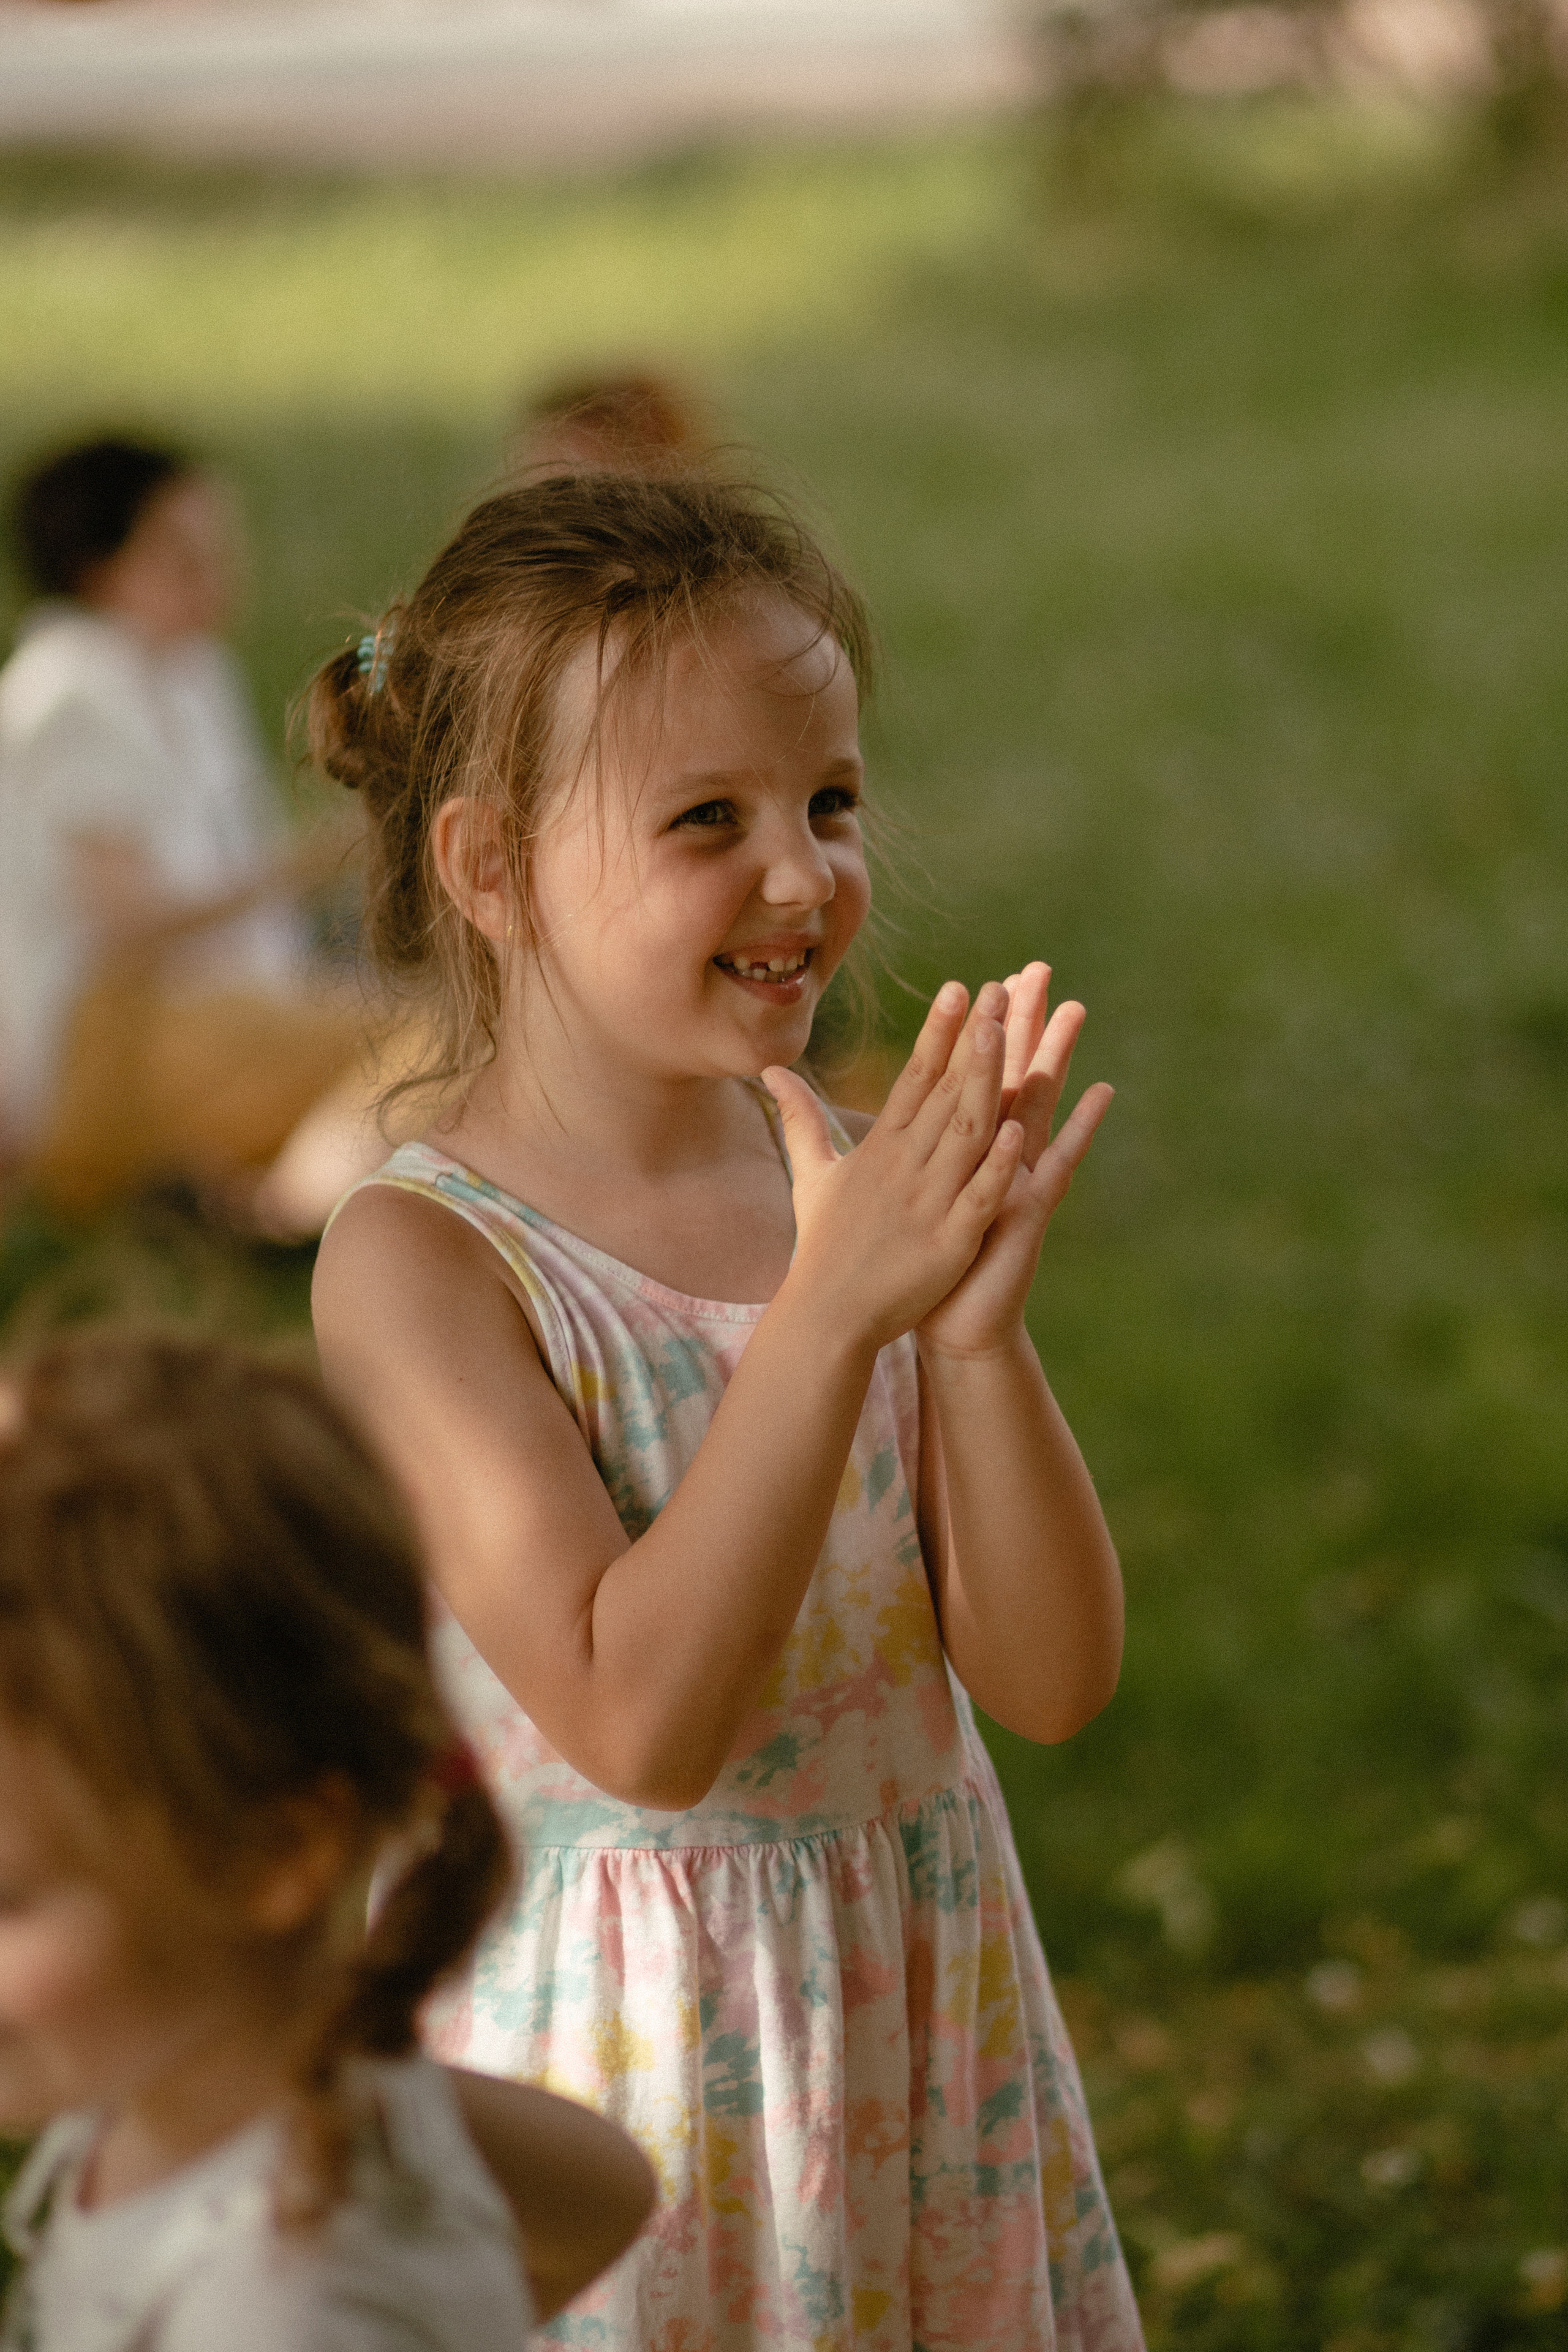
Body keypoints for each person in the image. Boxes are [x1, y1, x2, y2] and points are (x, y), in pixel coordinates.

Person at [309, 471, 1146, 2350]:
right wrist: (839, 1318)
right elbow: (642, 1722)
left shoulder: (847, 1191)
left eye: (829, 801)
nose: (804, 877)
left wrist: (978, 1342)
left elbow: (1055, 1680)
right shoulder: (426, 1268)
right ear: (490, 867)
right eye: (710, 820)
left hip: (918, 2018)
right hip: (633, 2086)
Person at [0, 1324, 655, 2351]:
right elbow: (611, 2190)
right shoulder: (207, 2087)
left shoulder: (280, 2303)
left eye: (9, 1901)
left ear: (275, 1854)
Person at [0, 436, 387, 1232]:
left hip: (206, 1016)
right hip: (109, 1042)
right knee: (433, 1043)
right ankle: (285, 1211)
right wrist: (312, 860)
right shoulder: (71, 689)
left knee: (425, 1024)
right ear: (95, 568)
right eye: (180, 553)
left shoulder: (190, 674)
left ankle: (259, 1186)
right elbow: (130, 926)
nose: (215, 573)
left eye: (218, 546)